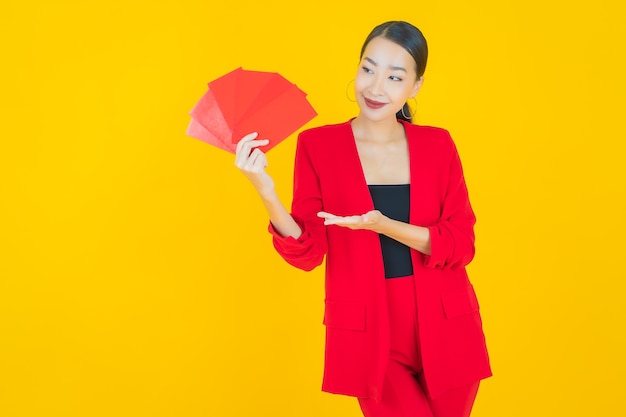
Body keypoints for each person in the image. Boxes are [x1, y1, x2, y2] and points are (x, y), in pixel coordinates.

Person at [235, 21, 491, 417]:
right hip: (370, 331)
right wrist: (265, 189)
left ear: (415, 87)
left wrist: (383, 225)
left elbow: (461, 244)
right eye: (368, 69)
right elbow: (308, 253)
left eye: (394, 76)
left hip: (447, 325)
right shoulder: (318, 145)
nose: (376, 88)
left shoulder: (438, 145)